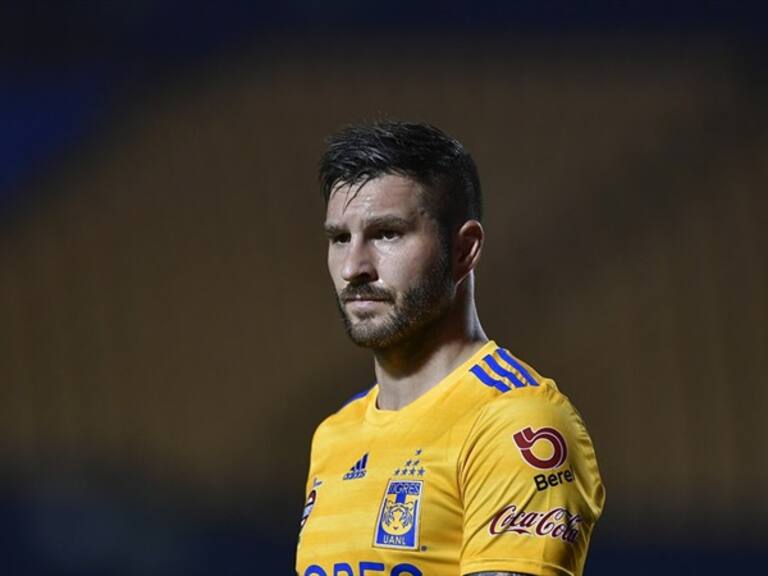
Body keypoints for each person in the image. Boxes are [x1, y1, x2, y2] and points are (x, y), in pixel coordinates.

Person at [296, 121, 605, 576]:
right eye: (340, 238)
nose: (353, 268)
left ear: (464, 249)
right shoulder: (334, 436)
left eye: (387, 234)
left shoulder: (516, 422)